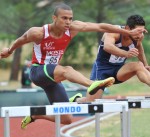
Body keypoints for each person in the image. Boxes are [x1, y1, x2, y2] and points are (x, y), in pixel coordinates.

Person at [0, 4, 146, 129]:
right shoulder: (38, 32)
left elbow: (101, 26)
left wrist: (128, 32)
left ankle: (37, 114)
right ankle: (92, 84)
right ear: (54, 18)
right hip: (38, 71)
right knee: (67, 70)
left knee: (67, 119)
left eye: (70, 18)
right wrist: (9, 50)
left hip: (53, 78)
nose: (68, 22)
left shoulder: (73, 28)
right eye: (64, 18)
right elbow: (21, 39)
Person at [74, 14, 150, 103]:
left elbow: (139, 48)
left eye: (141, 31)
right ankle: (76, 99)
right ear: (127, 28)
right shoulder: (114, 32)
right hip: (102, 70)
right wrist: (126, 53)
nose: (140, 35)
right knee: (91, 102)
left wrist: (146, 65)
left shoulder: (138, 37)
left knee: (139, 66)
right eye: (138, 31)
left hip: (119, 71)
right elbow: (107, 47)